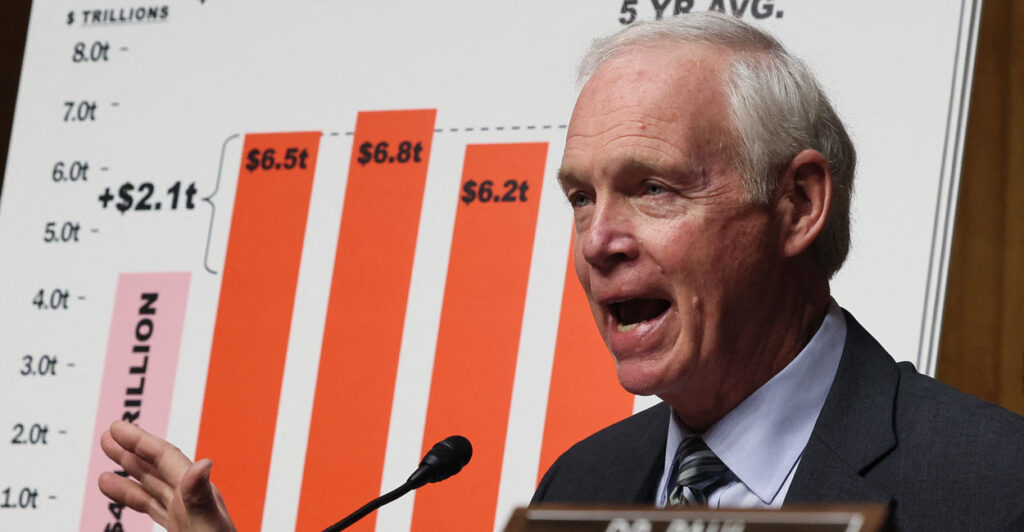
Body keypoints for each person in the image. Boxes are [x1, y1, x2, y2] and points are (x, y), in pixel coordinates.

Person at [99, 12, 1024, 532]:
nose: (598, 241)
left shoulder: (991, 483)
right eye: (580, 198)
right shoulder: (584, 483)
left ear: (797, 206)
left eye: (652, 189)